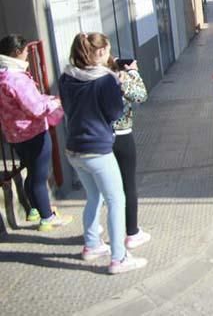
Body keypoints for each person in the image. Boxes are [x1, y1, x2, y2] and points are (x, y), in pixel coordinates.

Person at [59, 33, 147, 274]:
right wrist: (121, 82)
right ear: (100, 52)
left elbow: (66, 106)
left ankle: (91, 245)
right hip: (97, 149)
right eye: (107, 50)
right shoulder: (105, 80)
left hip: (73, 148)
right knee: (116, 200)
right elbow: (114, 112)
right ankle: (119, 258)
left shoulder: (67, 76)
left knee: (93, 197)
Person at [0, 35, 72, 231]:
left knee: (31, 173)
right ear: (16, 53)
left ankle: (34, 210)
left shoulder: (2, 75)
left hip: (13, 134)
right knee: (39, 177)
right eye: (25, 52)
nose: (26, 56)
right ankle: (47, 218)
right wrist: (55, 101)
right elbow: (36, 108)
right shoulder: (16, 79)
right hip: (33, 133)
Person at [110, 57, 151, 249]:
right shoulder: (117, 78)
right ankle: (132, 233)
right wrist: (132, 72)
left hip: (95, 139)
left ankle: (93, 239)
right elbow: (140, 95)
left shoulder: (78, 76)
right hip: (121, 135)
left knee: (101, 191)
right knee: (128, 185)